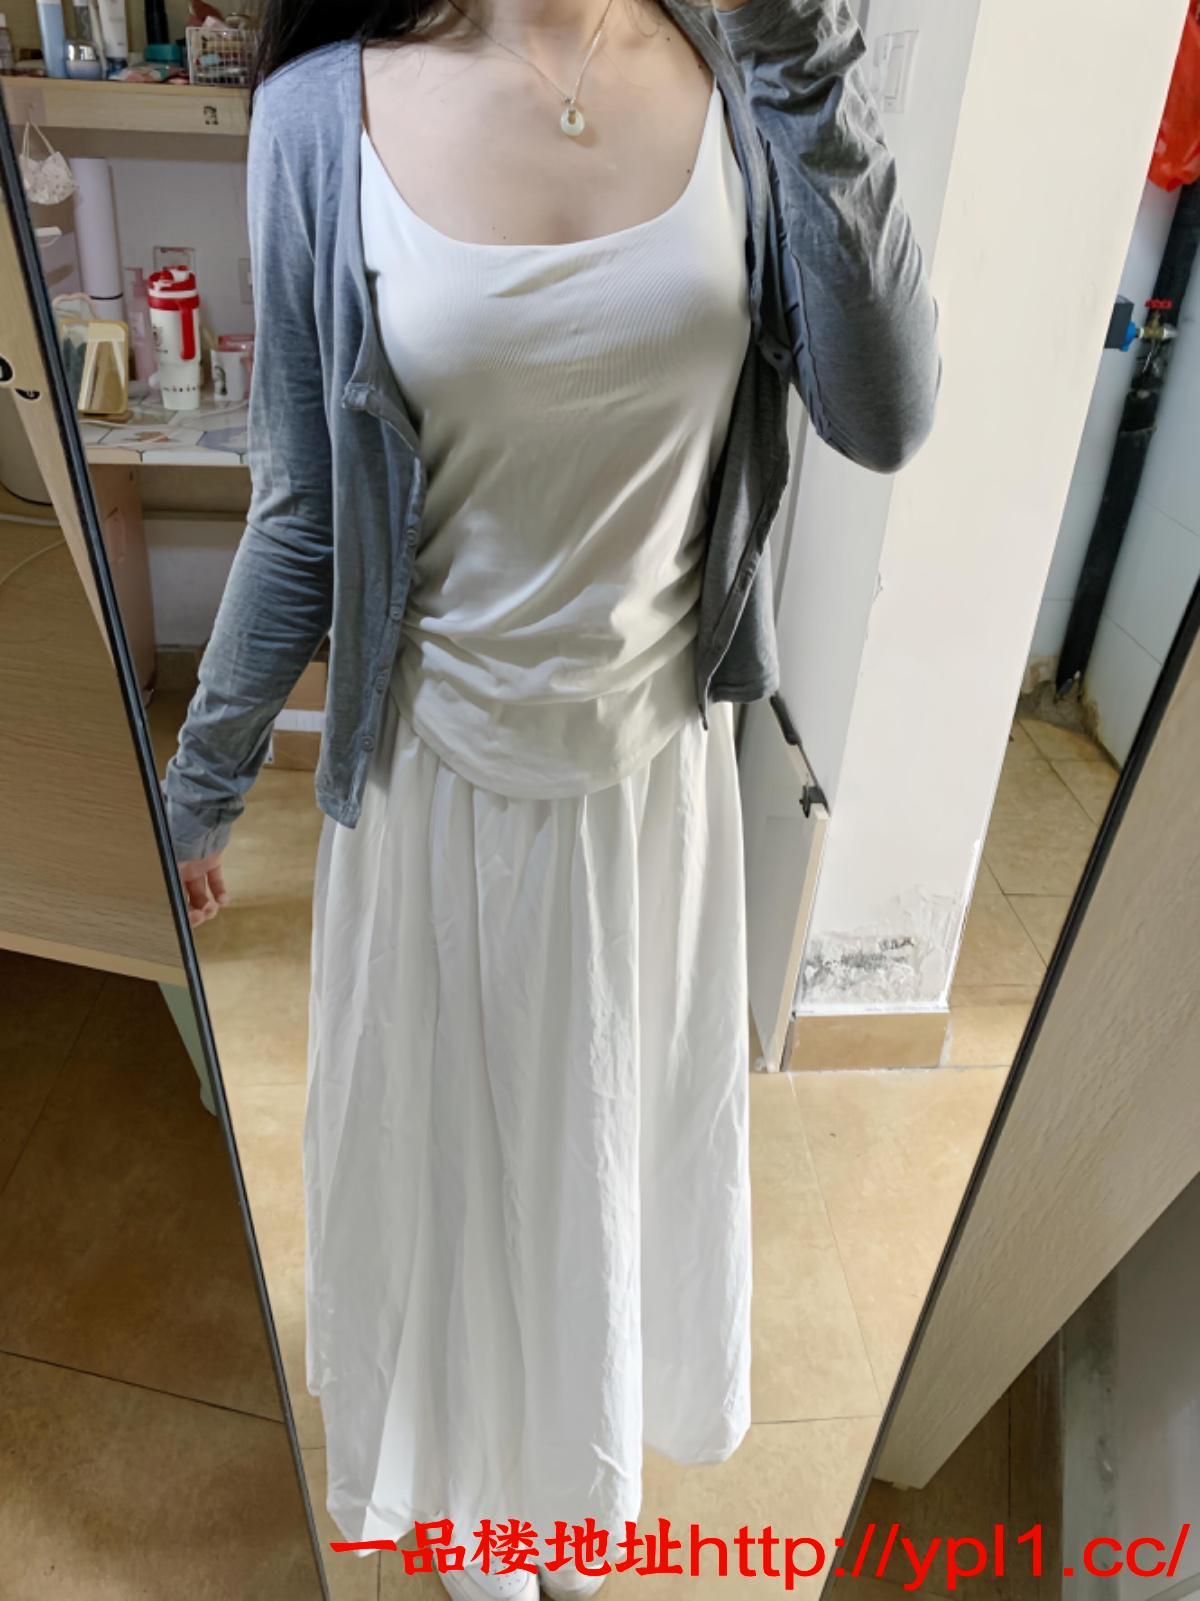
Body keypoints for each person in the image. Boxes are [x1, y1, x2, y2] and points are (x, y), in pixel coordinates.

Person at [160, 0, 939, 1593]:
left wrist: (801, 55)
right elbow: (302, 512)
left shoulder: (747, 79)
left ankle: (570, 1519)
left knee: (602, 1175)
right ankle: (478, 1532)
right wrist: (200, 787)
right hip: (435, 794)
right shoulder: (322, 121)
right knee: (453, 1200)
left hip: (652, 796)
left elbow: (885, 413)